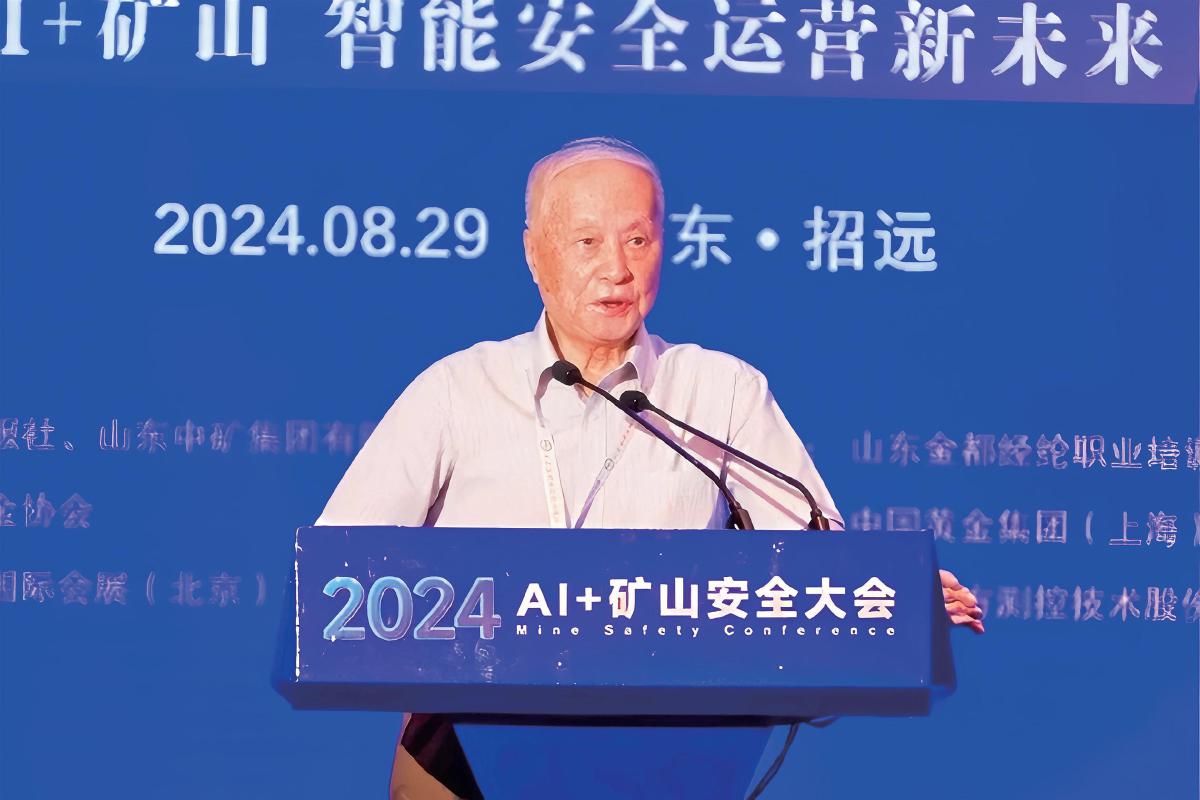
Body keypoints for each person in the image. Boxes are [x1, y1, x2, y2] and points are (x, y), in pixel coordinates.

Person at [315, 136, 984, 800]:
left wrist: (895, 597)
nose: (616, 268)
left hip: (670, 754)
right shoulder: (458, 389)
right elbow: (338, 574)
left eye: (637, 240)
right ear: (534, 254)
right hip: (463, 756)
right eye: (587, 242)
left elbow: (816, 563)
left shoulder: (719, 392)